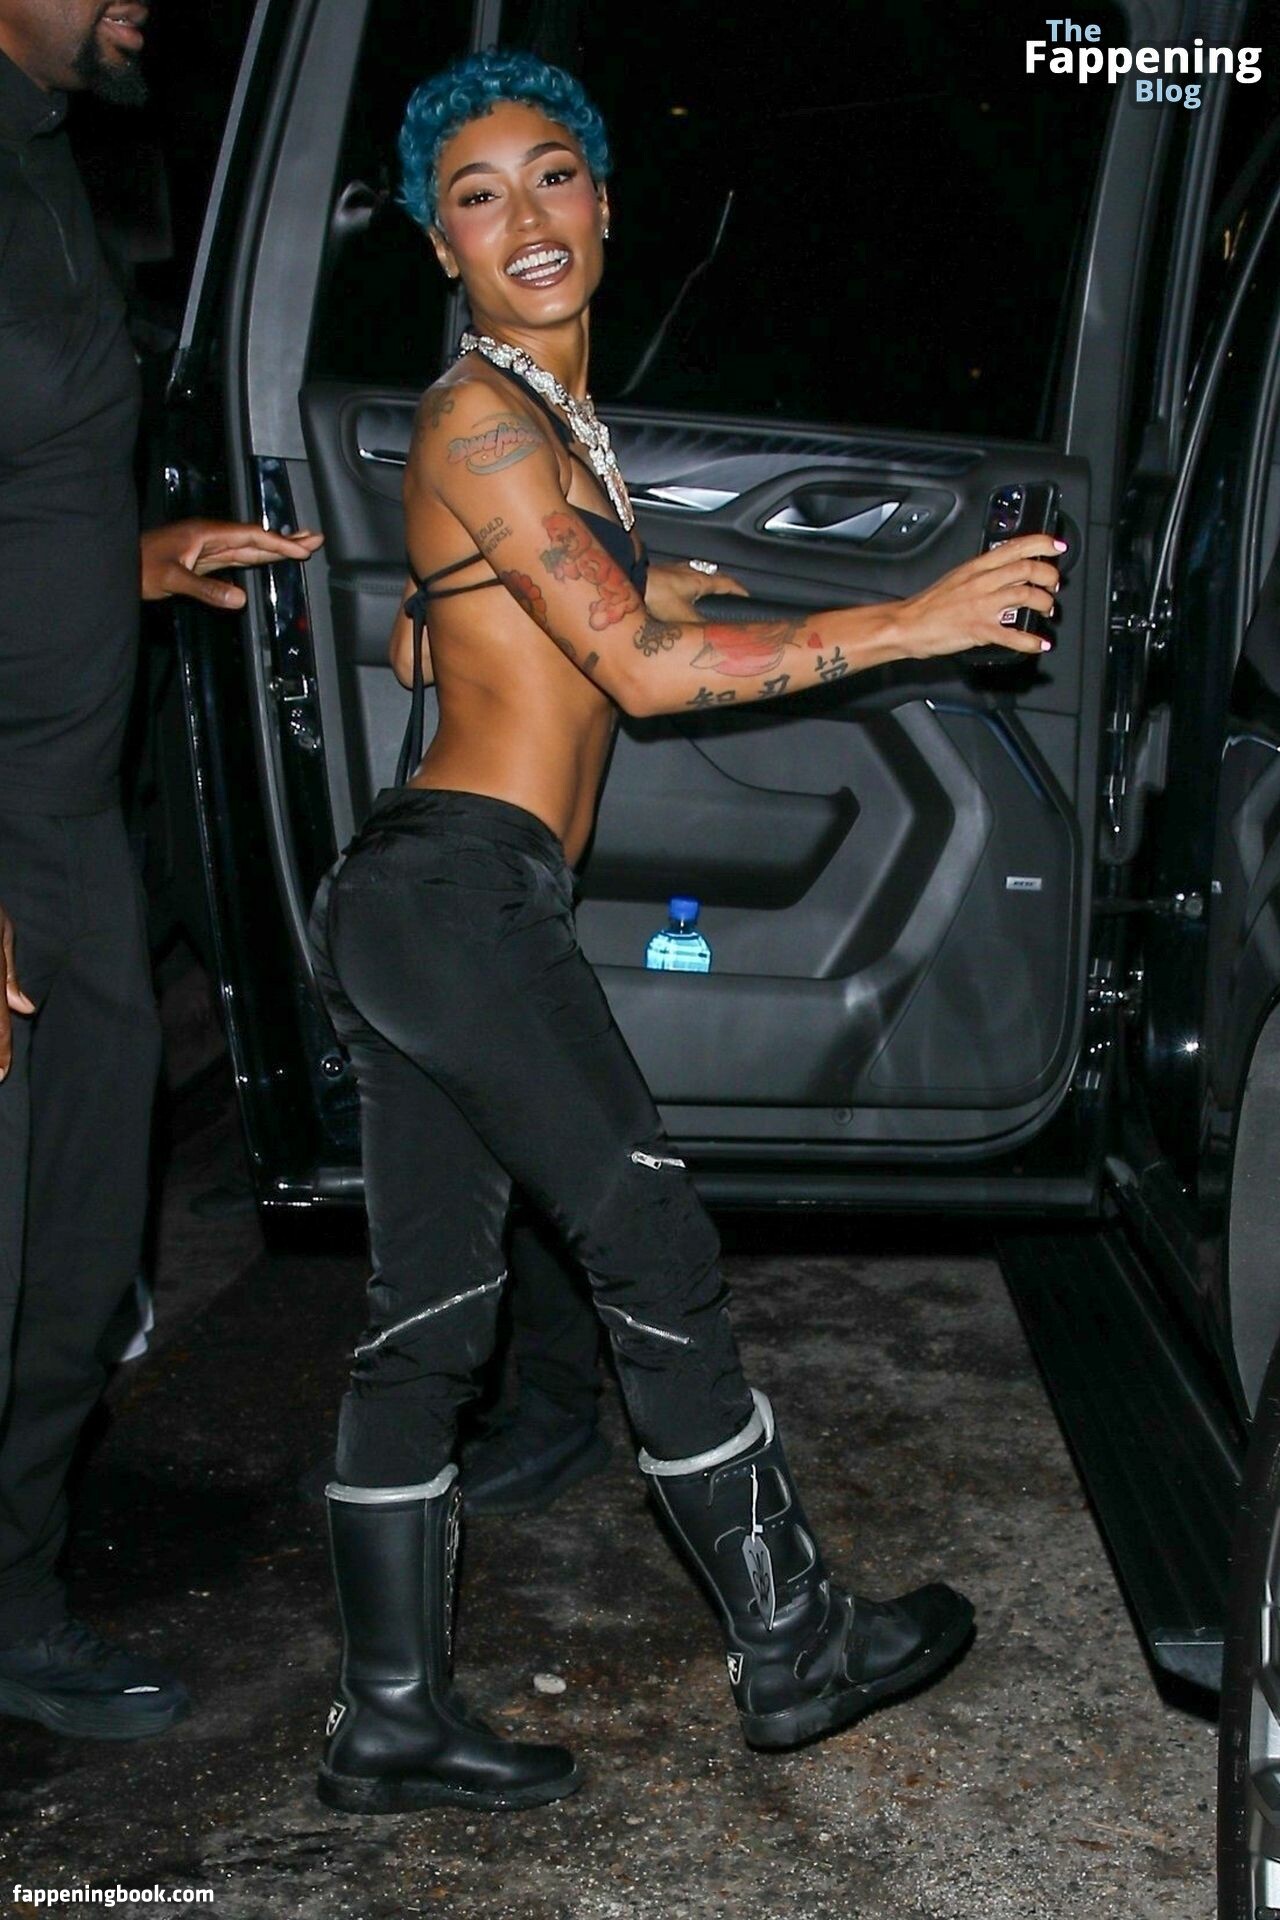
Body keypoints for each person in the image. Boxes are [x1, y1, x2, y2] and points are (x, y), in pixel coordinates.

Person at [308, 47, 1065, 1815]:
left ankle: (389, 1719)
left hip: (423, 900)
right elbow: (641, 678)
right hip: (459, 892)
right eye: (477, 197)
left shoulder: (538, 426)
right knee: (648, 1232)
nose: (524, 217)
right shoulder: (485, 420)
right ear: (440, 244)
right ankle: (793, 1642)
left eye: (551, 175)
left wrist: (623, 578)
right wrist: (913, 619)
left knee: (432, 1318)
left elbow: (438, 628)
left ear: (603, 201)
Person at [0, 0, 323, 1741]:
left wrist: (127, 559)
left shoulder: (47, 157)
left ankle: (12, 1601)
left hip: (71, 826)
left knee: (68, 1279)